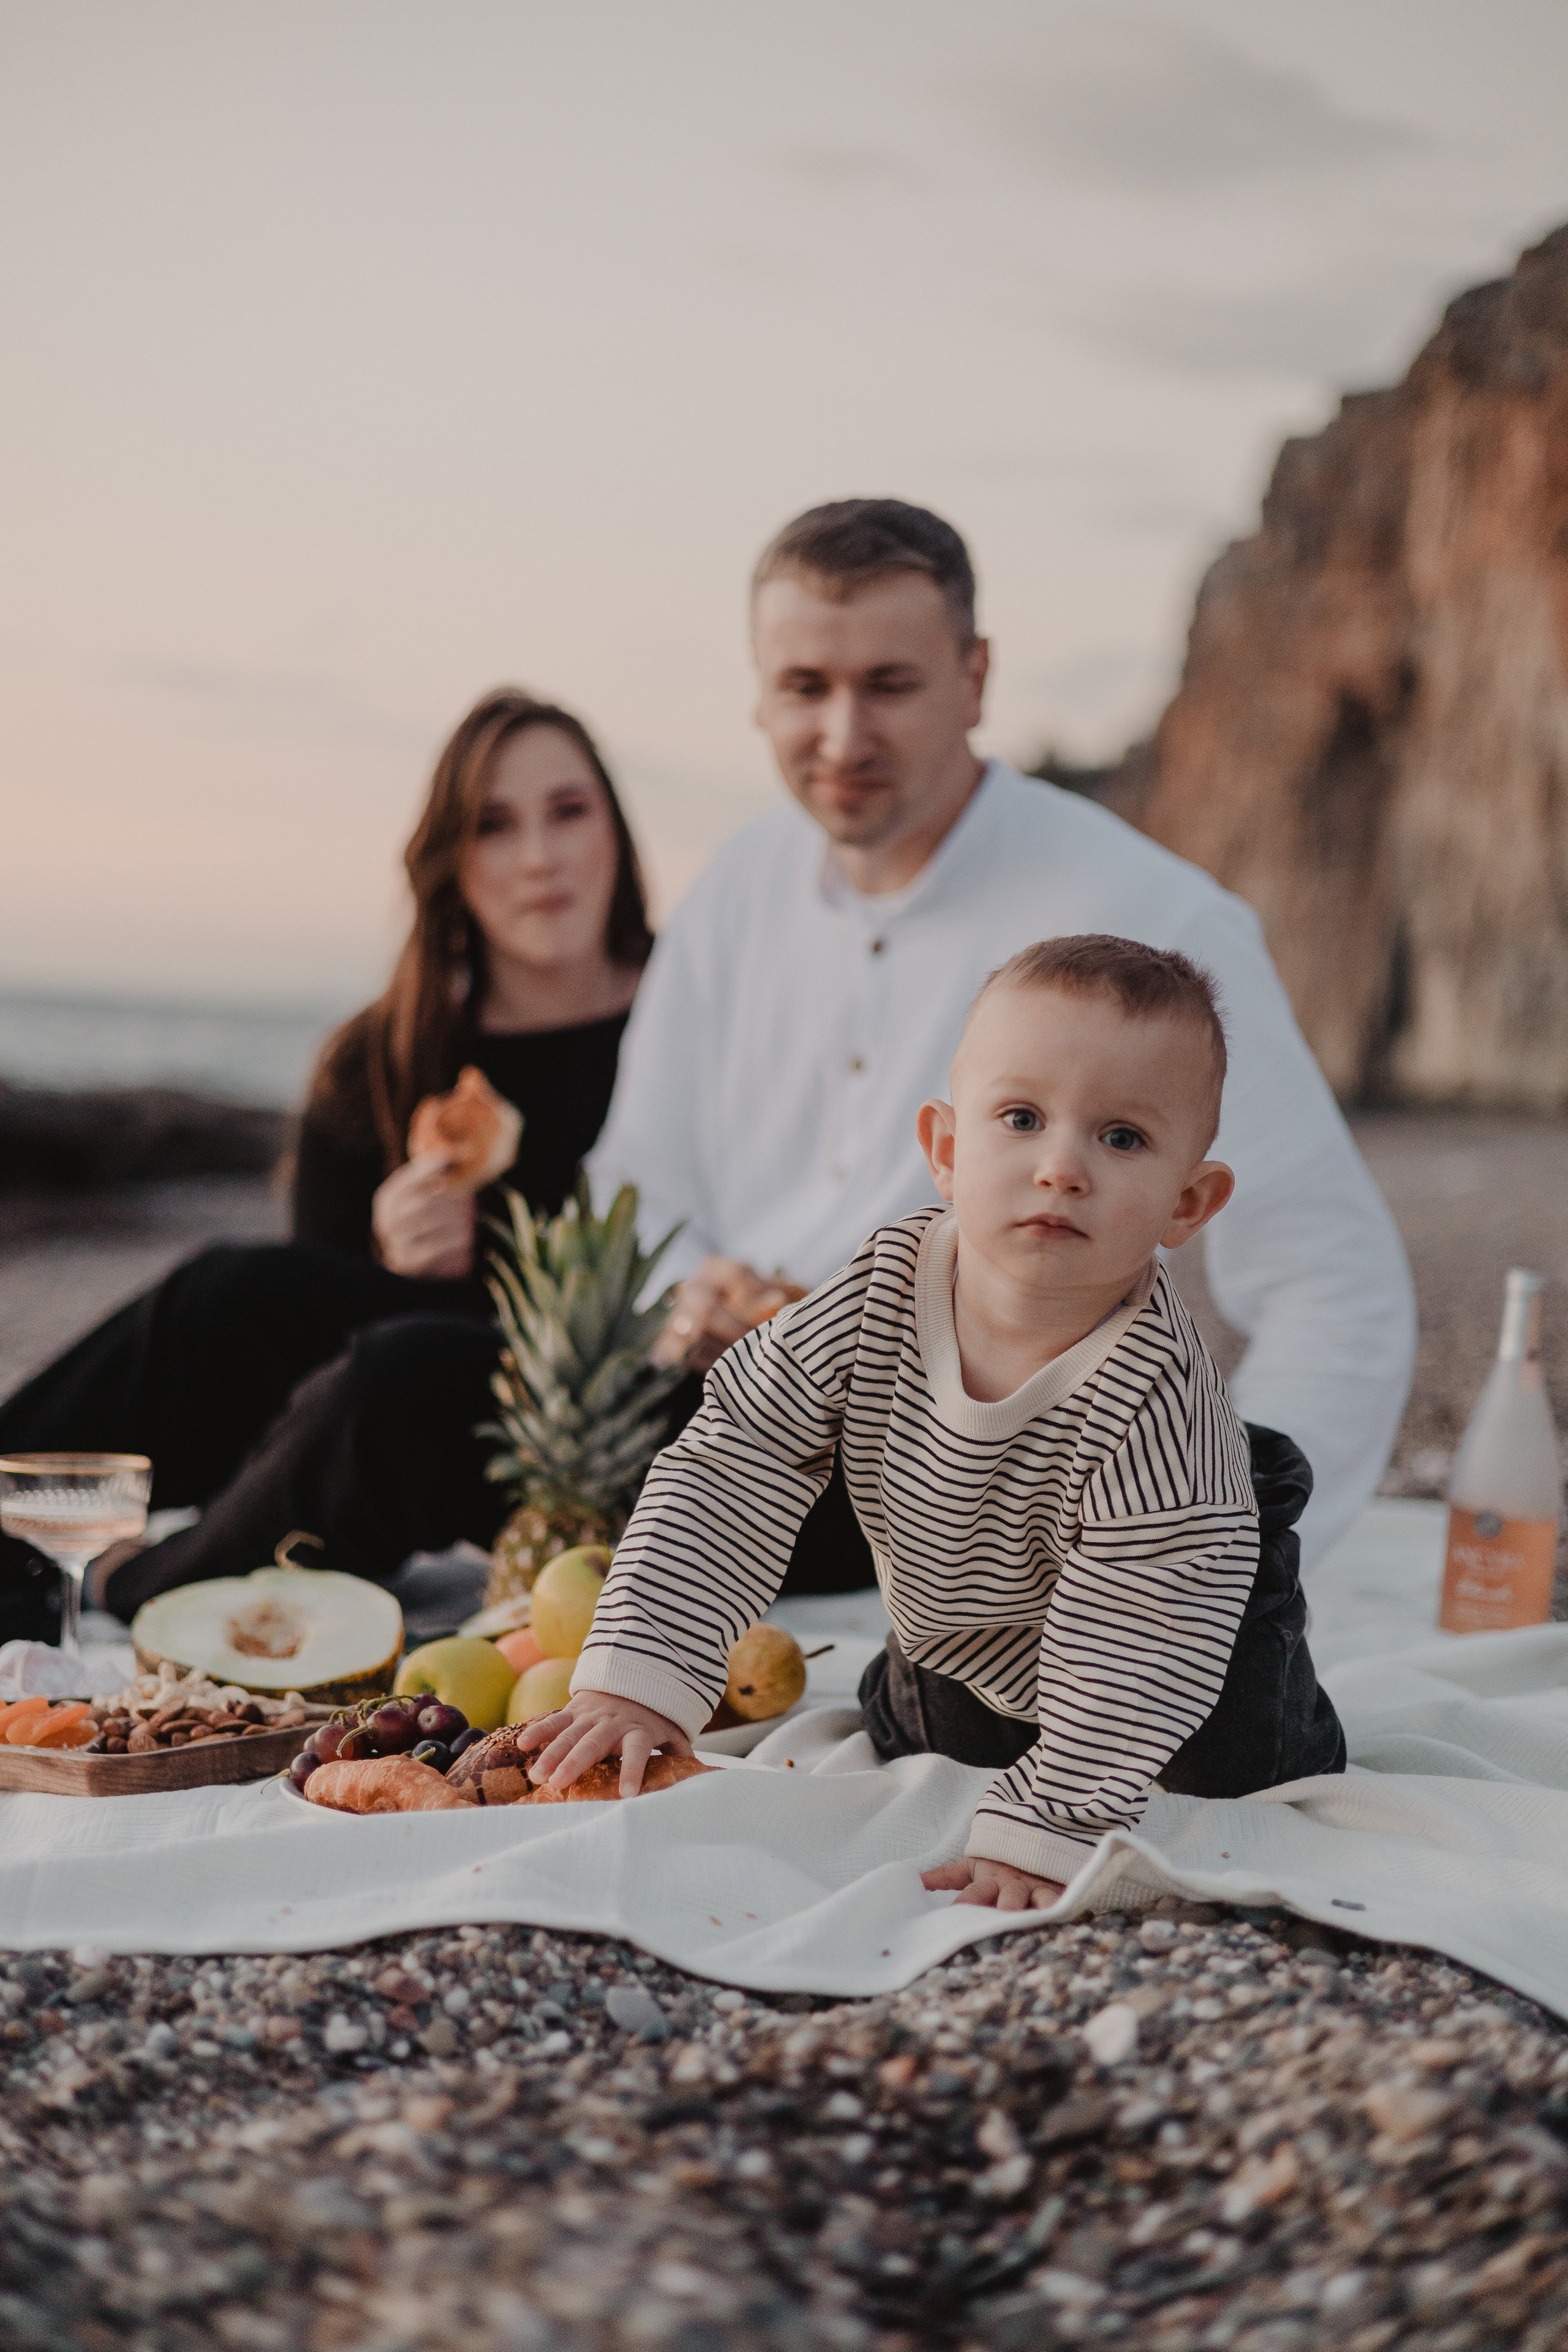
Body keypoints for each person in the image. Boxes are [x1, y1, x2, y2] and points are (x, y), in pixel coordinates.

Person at [88, 496, 1414, 1623]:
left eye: (888, 685)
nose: (842, 736)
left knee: (401, 1393)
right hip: (691, 1386)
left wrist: (1215, 1563)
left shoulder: (1152, 922)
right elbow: (642, 1183)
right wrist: (700, 1295)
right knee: (234, 1298)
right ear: (757, 693)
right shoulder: (739, 885)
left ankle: (109, 1617)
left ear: (974, 675)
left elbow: (1335, 1286)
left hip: (927, 1466)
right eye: (804, 688)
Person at [521, 938, 1345, 1911]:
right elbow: (736, 1459)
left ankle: (1188, 1726)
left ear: (1189, 1201)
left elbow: (1141, 1636)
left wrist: (1047, 1831)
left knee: (1230, 1770)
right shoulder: (881, 1290)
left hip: (1183, 1623)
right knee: (921, 1726)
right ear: (949, 1151)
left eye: (1121, 1138)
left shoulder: (1154, 1393)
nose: (1061, 1167)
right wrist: (644, 1675)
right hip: (968, 1615)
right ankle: (958, 1705)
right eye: (1022, 1118)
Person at [0, 688, 652, 1641]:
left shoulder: (690, 1022)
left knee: (401, 1370)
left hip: (610, 1404)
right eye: (494, 825)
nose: (540, 859)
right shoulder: (384, 1059)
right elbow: (298, 1364)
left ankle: (127, 1587)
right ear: (449, 859)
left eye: (568, 812)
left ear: (617, 830)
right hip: (392, 1390)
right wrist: (389, 1263)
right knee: (230, 1289)